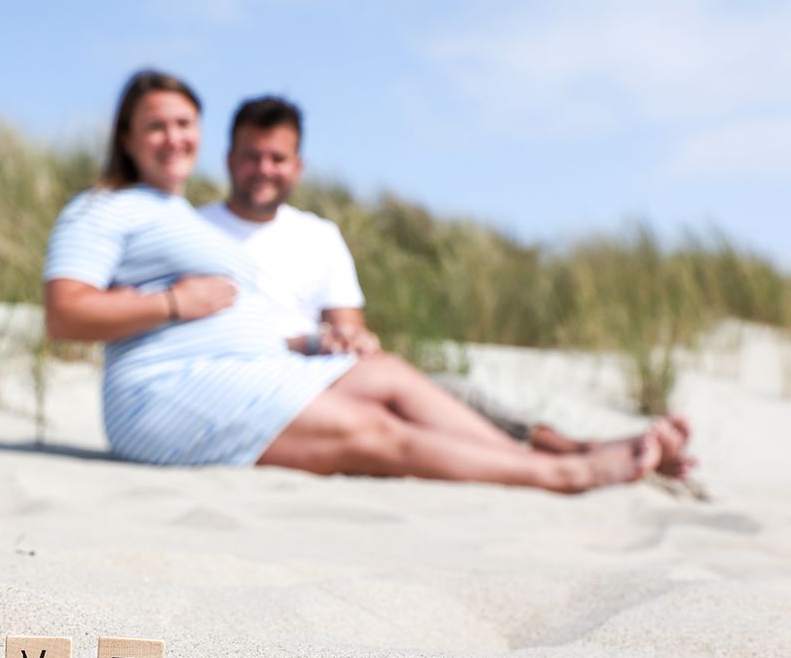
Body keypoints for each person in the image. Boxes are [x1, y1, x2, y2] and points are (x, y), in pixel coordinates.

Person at [44, 69, 662, 492]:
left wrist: (315, 342)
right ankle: (560, 475)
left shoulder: (174, 214)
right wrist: (175, 301)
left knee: (391, 374)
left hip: (253, 369)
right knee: (375, 432)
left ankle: (535, 458)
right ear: (126, 137)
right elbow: (63, 314)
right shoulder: (103, 207)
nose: (173, 137)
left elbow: (272, 322)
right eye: (156, 125)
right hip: (167, 395)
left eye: (184, 123)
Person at [198, 96, 693, 477]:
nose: (264, 170)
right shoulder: (192, 231)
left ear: (297, 166)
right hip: (253, 382)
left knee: (451, 392)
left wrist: (346, 339)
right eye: (252, 157)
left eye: (277, 159)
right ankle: (568, 464)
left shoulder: (318, 235)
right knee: (405, 409)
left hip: (327, 373)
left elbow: (350, 328)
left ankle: (581, 447)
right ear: (229, 159)